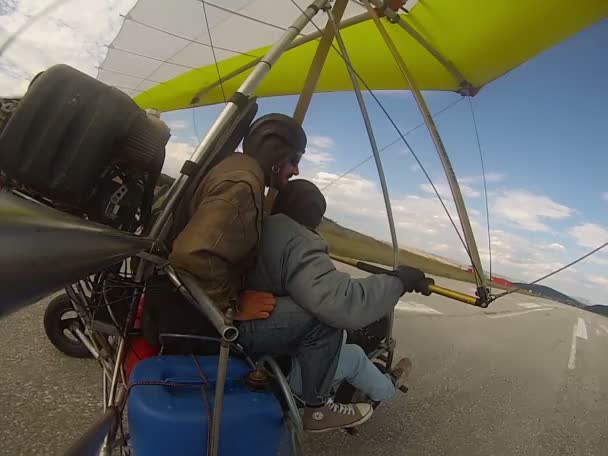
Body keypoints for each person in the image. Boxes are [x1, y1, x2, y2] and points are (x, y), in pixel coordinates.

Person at [238, 179, 433, 433]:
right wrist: (399, 281)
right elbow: (340, 301)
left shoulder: (262, 225)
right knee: (350, 351)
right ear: (315, 220)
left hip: (260, 329)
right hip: (279, 358)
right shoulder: (296, 237)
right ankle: (387, 386)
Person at [169, 113, 305, 318]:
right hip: (186, 311)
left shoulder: (238, 167)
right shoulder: (244, 184)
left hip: (185, 297)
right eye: (294, 160)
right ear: (275, 153)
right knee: (314, 323)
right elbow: (192, 254)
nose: (296, 170)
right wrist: (232, 306)